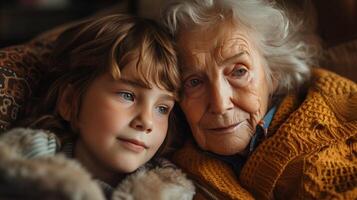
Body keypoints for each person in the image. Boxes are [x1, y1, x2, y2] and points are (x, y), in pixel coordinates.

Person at [161, 0, 357, 199]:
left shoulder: (335, 126)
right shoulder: (169, 172)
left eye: (239, 71)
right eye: (194, 82)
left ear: (273, 74)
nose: (220, 105)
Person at [0, 14, 194, 200]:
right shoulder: (24, 164)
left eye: (162, 108)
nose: (146, 121)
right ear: (69, 102)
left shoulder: (169, 189)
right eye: (128, 96)